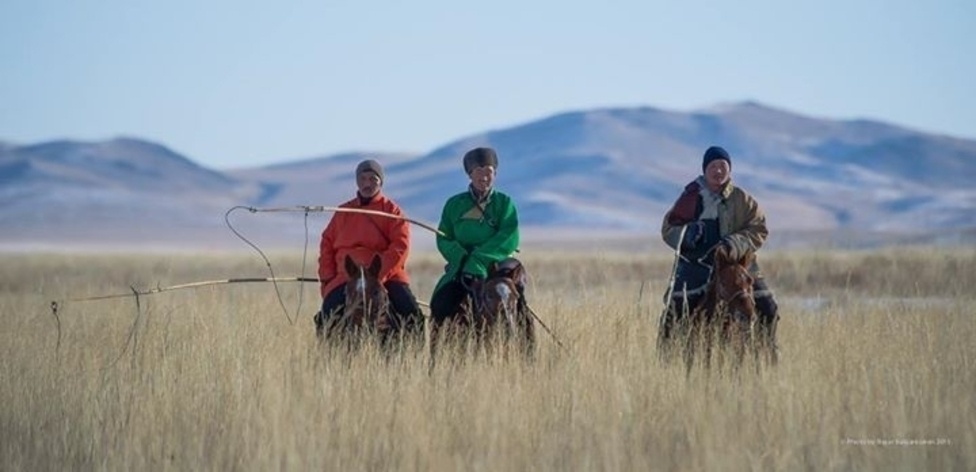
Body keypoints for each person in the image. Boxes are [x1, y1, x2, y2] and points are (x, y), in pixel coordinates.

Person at [659, 146, 780, 354]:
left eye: (722, 166)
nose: (718, 171)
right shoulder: (691, 197)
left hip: (739, 264)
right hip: (697, 264)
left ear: (729, 169)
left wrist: (734, 244)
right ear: (704, 170)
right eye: (713, 166)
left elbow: (759, 228)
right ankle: (667, 356)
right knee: (676, 308)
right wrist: (687, 235)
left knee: (768, 308)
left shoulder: (742, 199)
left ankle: (767, 354)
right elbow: (668, 229)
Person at [314, 159, 423, 338]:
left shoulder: (392, 211)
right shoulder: (343, 211)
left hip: (384, 275)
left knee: (411, 313)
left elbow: (400, 247)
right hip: (346, 275)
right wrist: (327, 278)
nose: (367, 184)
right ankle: (327, 352)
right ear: (357, 181)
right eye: (363, 179)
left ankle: (416, 353)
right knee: (327, 315)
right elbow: (327, 243)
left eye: (373, 179)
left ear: (381, 182)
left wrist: (378, 275)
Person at [429, 147, 524, 330]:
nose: (484, 177)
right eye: (478, 171)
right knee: (440, 305)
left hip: (497, 265)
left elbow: (509, 236)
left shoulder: (504, 203)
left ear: (495, 174)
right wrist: (461, 257)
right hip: (462, 265)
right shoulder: (454, 204)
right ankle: (438, 345)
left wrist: (479, 259)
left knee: (517, 302)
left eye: (489, 171)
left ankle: (525, 342)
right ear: (469, 174)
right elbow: (443, 237)